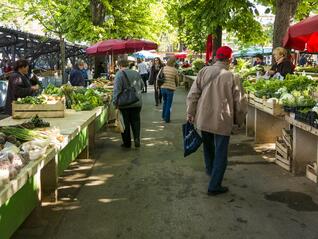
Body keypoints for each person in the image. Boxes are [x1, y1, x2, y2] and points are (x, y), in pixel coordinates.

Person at [186, 46, 247, 196]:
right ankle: (214, 185)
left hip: (203, 117)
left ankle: (210, 170)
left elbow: (193, 94)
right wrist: (239, 121)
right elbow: (239, 102)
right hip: (222, 119)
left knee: (208, 146)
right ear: (229, 59)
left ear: (215, 58)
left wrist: (190, 112)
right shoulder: (232, 76)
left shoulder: (203, 71)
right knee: (221, 152)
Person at [113, 59, 144, 148]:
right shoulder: (136, 73)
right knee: (136, 121)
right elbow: (141, 85)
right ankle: (137, 139)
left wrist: (115, 102)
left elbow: (117, 90)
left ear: (119, 65)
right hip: (137, 101)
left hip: (125, 103)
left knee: (125, 123)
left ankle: (127, 143)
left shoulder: (119, 74)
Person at [160, 57, 179, 123]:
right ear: (173, 63)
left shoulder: (163, 68)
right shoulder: (175, 70)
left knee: (165, 102)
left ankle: (163, 116)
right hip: (170, 89)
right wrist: (176, 85)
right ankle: (167, 119)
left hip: (162, 88)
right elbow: (177, 80)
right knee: (169, 104)